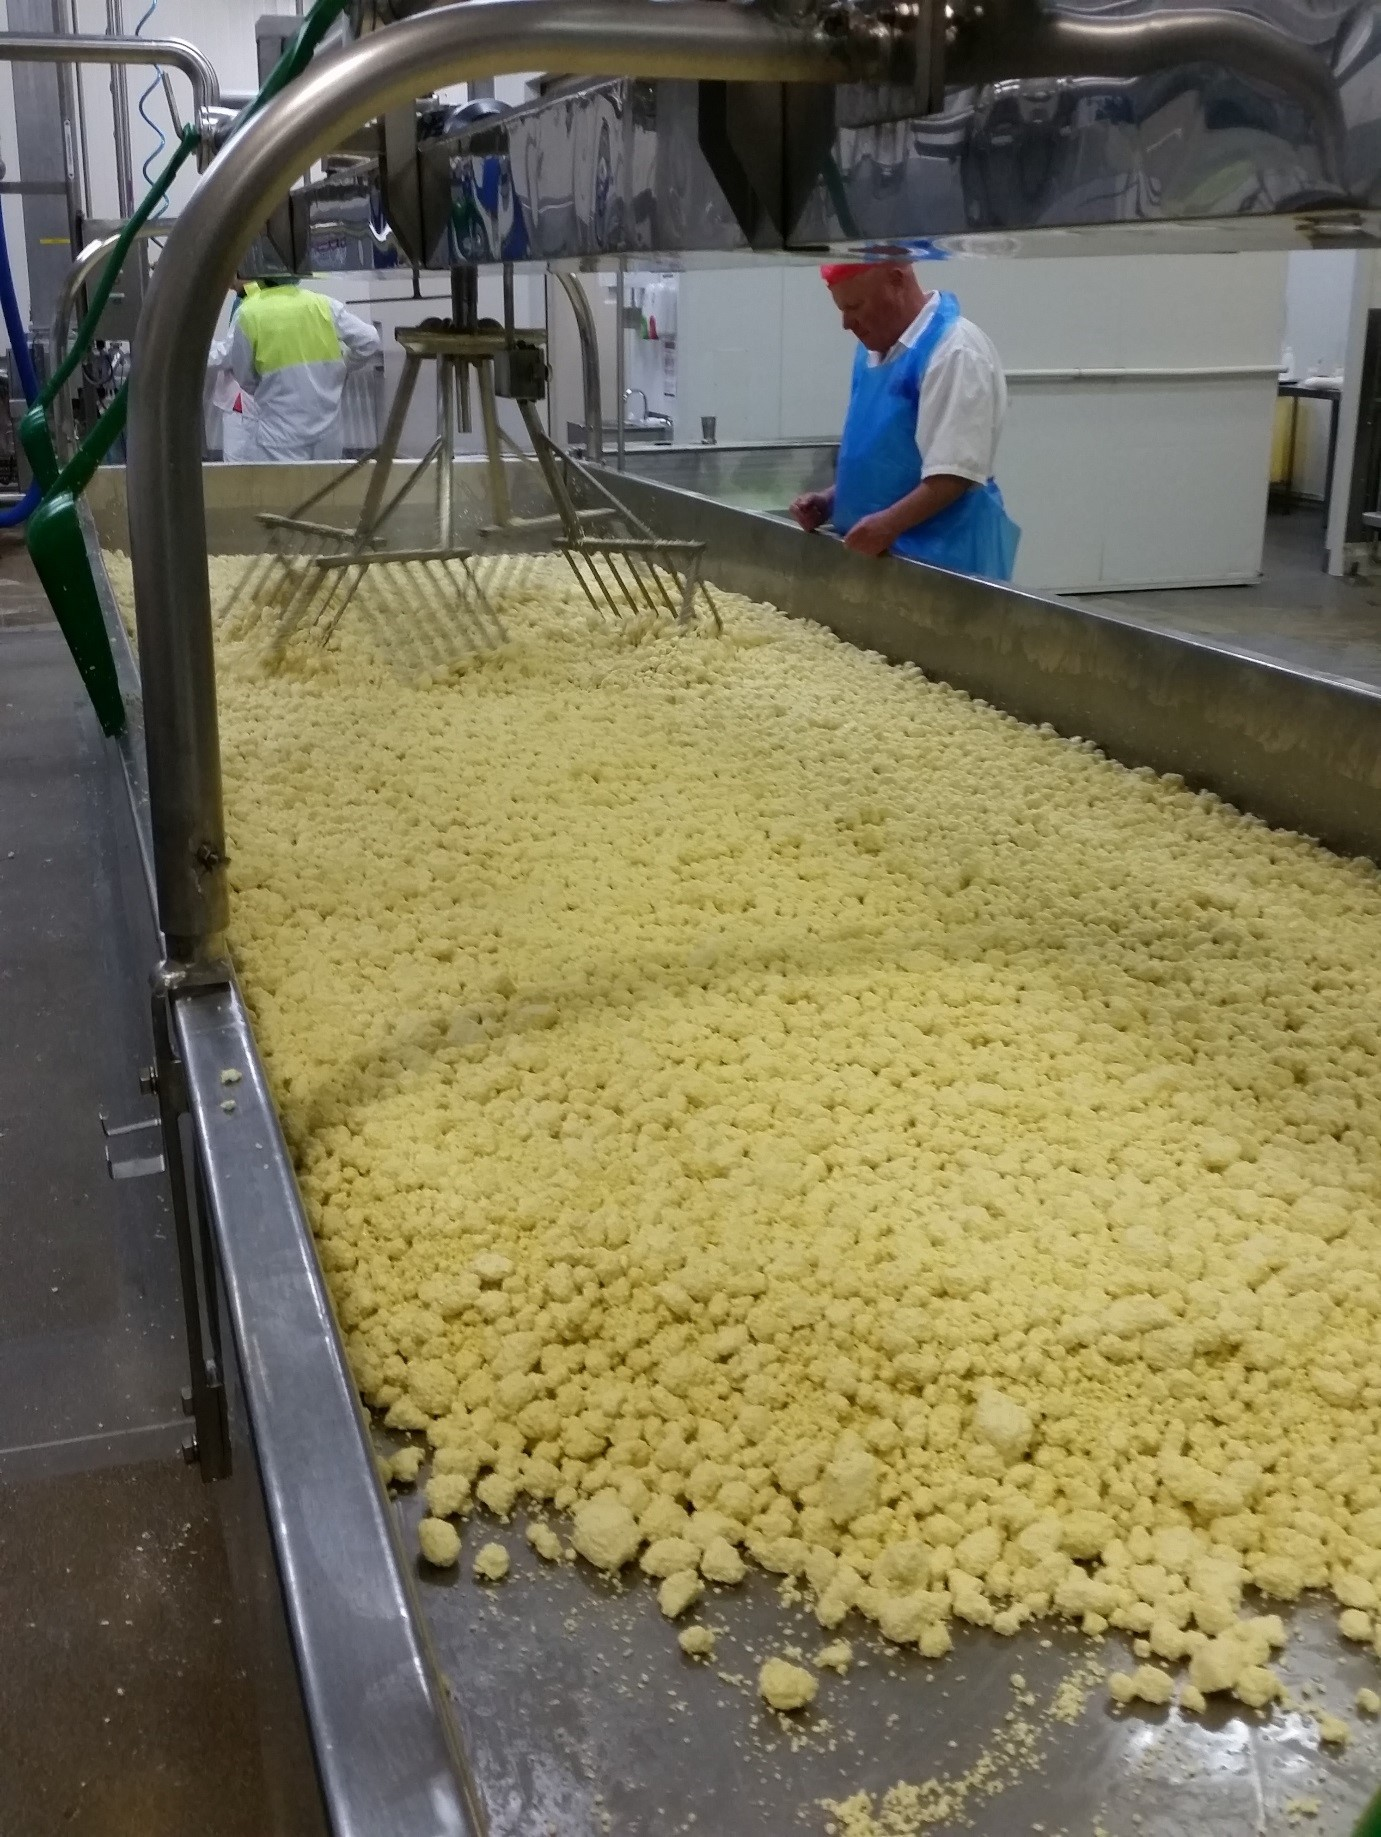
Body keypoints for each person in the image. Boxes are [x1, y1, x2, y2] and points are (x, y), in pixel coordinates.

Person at [791, 263, 1019, 581]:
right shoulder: (873, 352)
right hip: (884, 559)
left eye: (855, 307)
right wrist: (832, 498)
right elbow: (891, 463)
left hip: (944, 562)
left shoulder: (954, 350)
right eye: (841, 310)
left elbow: (953, 476)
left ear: (896, 281)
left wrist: (888, 525)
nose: (846, 323)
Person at [228, 276, 381, 462]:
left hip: (280, 437)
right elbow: (369, 340)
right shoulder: (323, 304)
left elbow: (244, 377)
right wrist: (342, 368)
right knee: (327, 488)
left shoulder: (248, 312)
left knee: (285, 491)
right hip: (327, 434)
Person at [209, 283, 258, 461]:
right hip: (252, 401)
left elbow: (227, 355)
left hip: (244, 403)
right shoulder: (244, 298)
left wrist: (192, 344)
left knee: (239, 470)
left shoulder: (250, 303)